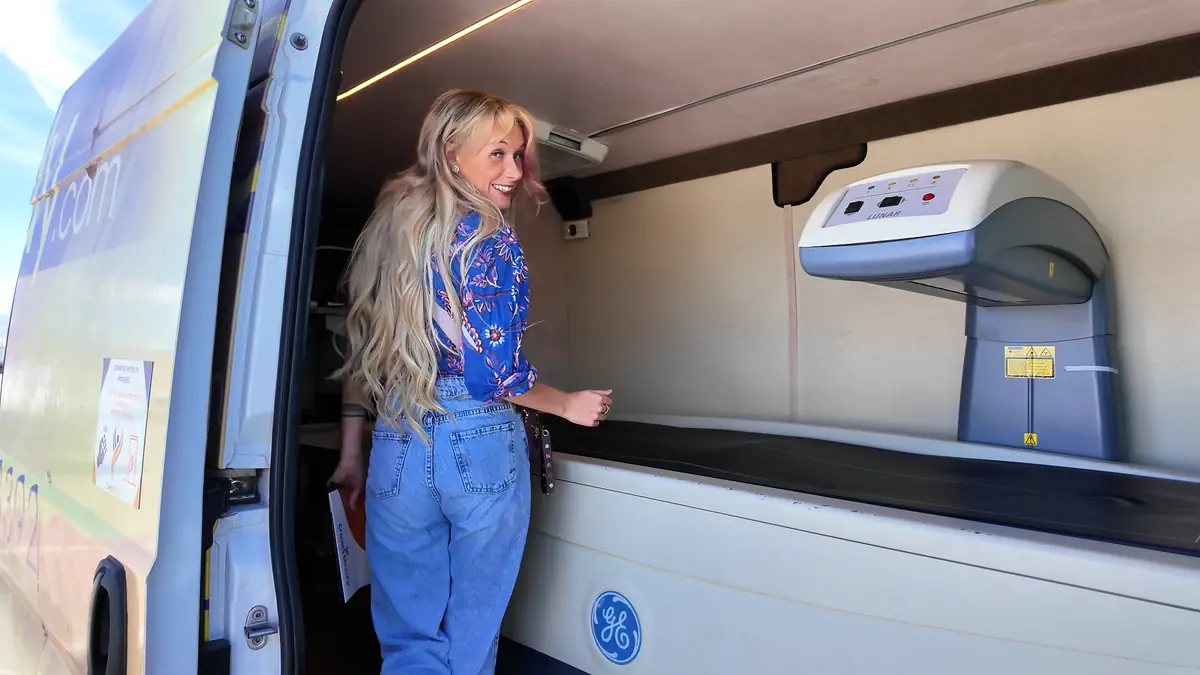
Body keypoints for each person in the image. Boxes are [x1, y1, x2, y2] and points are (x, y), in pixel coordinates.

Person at [329, 89, 613, 674]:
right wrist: (568, 404)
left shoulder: (389, 237)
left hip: (397, 438)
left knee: (407, 637)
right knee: (470, 632)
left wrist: (351, 455)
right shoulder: (489, 238)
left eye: (518, 155)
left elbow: (362, 355)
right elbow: (495, 376)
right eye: (498, 154)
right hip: (477, 439)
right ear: (451, 153)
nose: (513, 171)